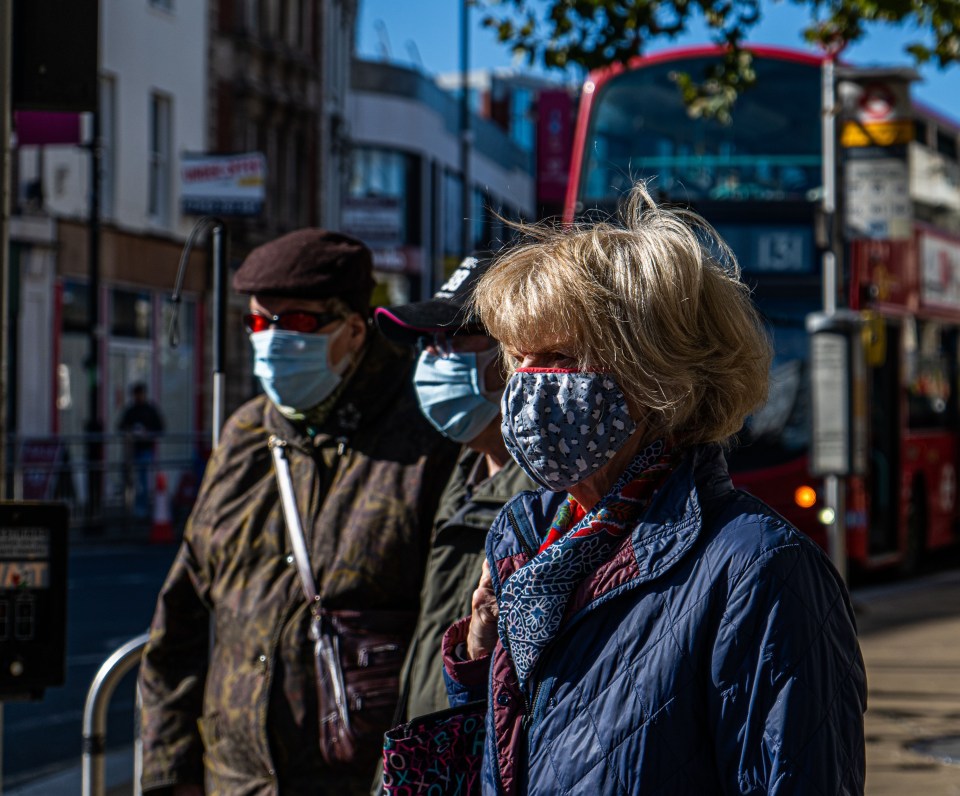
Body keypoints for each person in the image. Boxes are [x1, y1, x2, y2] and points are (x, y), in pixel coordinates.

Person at [442, 182, 868, 794]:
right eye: (517, 360)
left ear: (657, 372)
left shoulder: (760, 571)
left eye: (559, 360)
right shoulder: (527, 533)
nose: (528, 390)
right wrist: (480, 662)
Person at [138, 229, 457, 796]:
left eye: (299, 323)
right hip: (236, 782)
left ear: (355, 329)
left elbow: (449, 636)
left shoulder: (426, 439)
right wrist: (168, 776)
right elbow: (178, 628)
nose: (273, 339)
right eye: (260, 323)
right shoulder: (244, 437)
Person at [373, 255, 545, 723]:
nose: (432, 356)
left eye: (451, 337)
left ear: (514, 353)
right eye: (426, 342)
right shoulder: (458, 472)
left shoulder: (554, 500)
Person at [118, 381, 165, 518]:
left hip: (145, 450)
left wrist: (147, 433)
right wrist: (131, 432)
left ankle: (142, 508)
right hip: (132, 450)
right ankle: (134, 509)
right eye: (136, 394)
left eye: (139, 394)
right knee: (134, 481)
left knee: (143, 480)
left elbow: (160, 428)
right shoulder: (131, 410)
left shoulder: (150, 410)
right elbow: (121, 426)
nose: (138, 397)